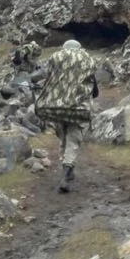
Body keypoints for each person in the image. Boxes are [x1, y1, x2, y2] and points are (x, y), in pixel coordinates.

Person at [34, 39, 98, 193]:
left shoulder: (55, 58)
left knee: (63, 138)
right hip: (78, 110)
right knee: (73, 141)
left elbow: (48, 81)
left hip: (56, 108)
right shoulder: (87, 60)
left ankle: (68, 170)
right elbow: (95, 91)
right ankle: (66, 174)